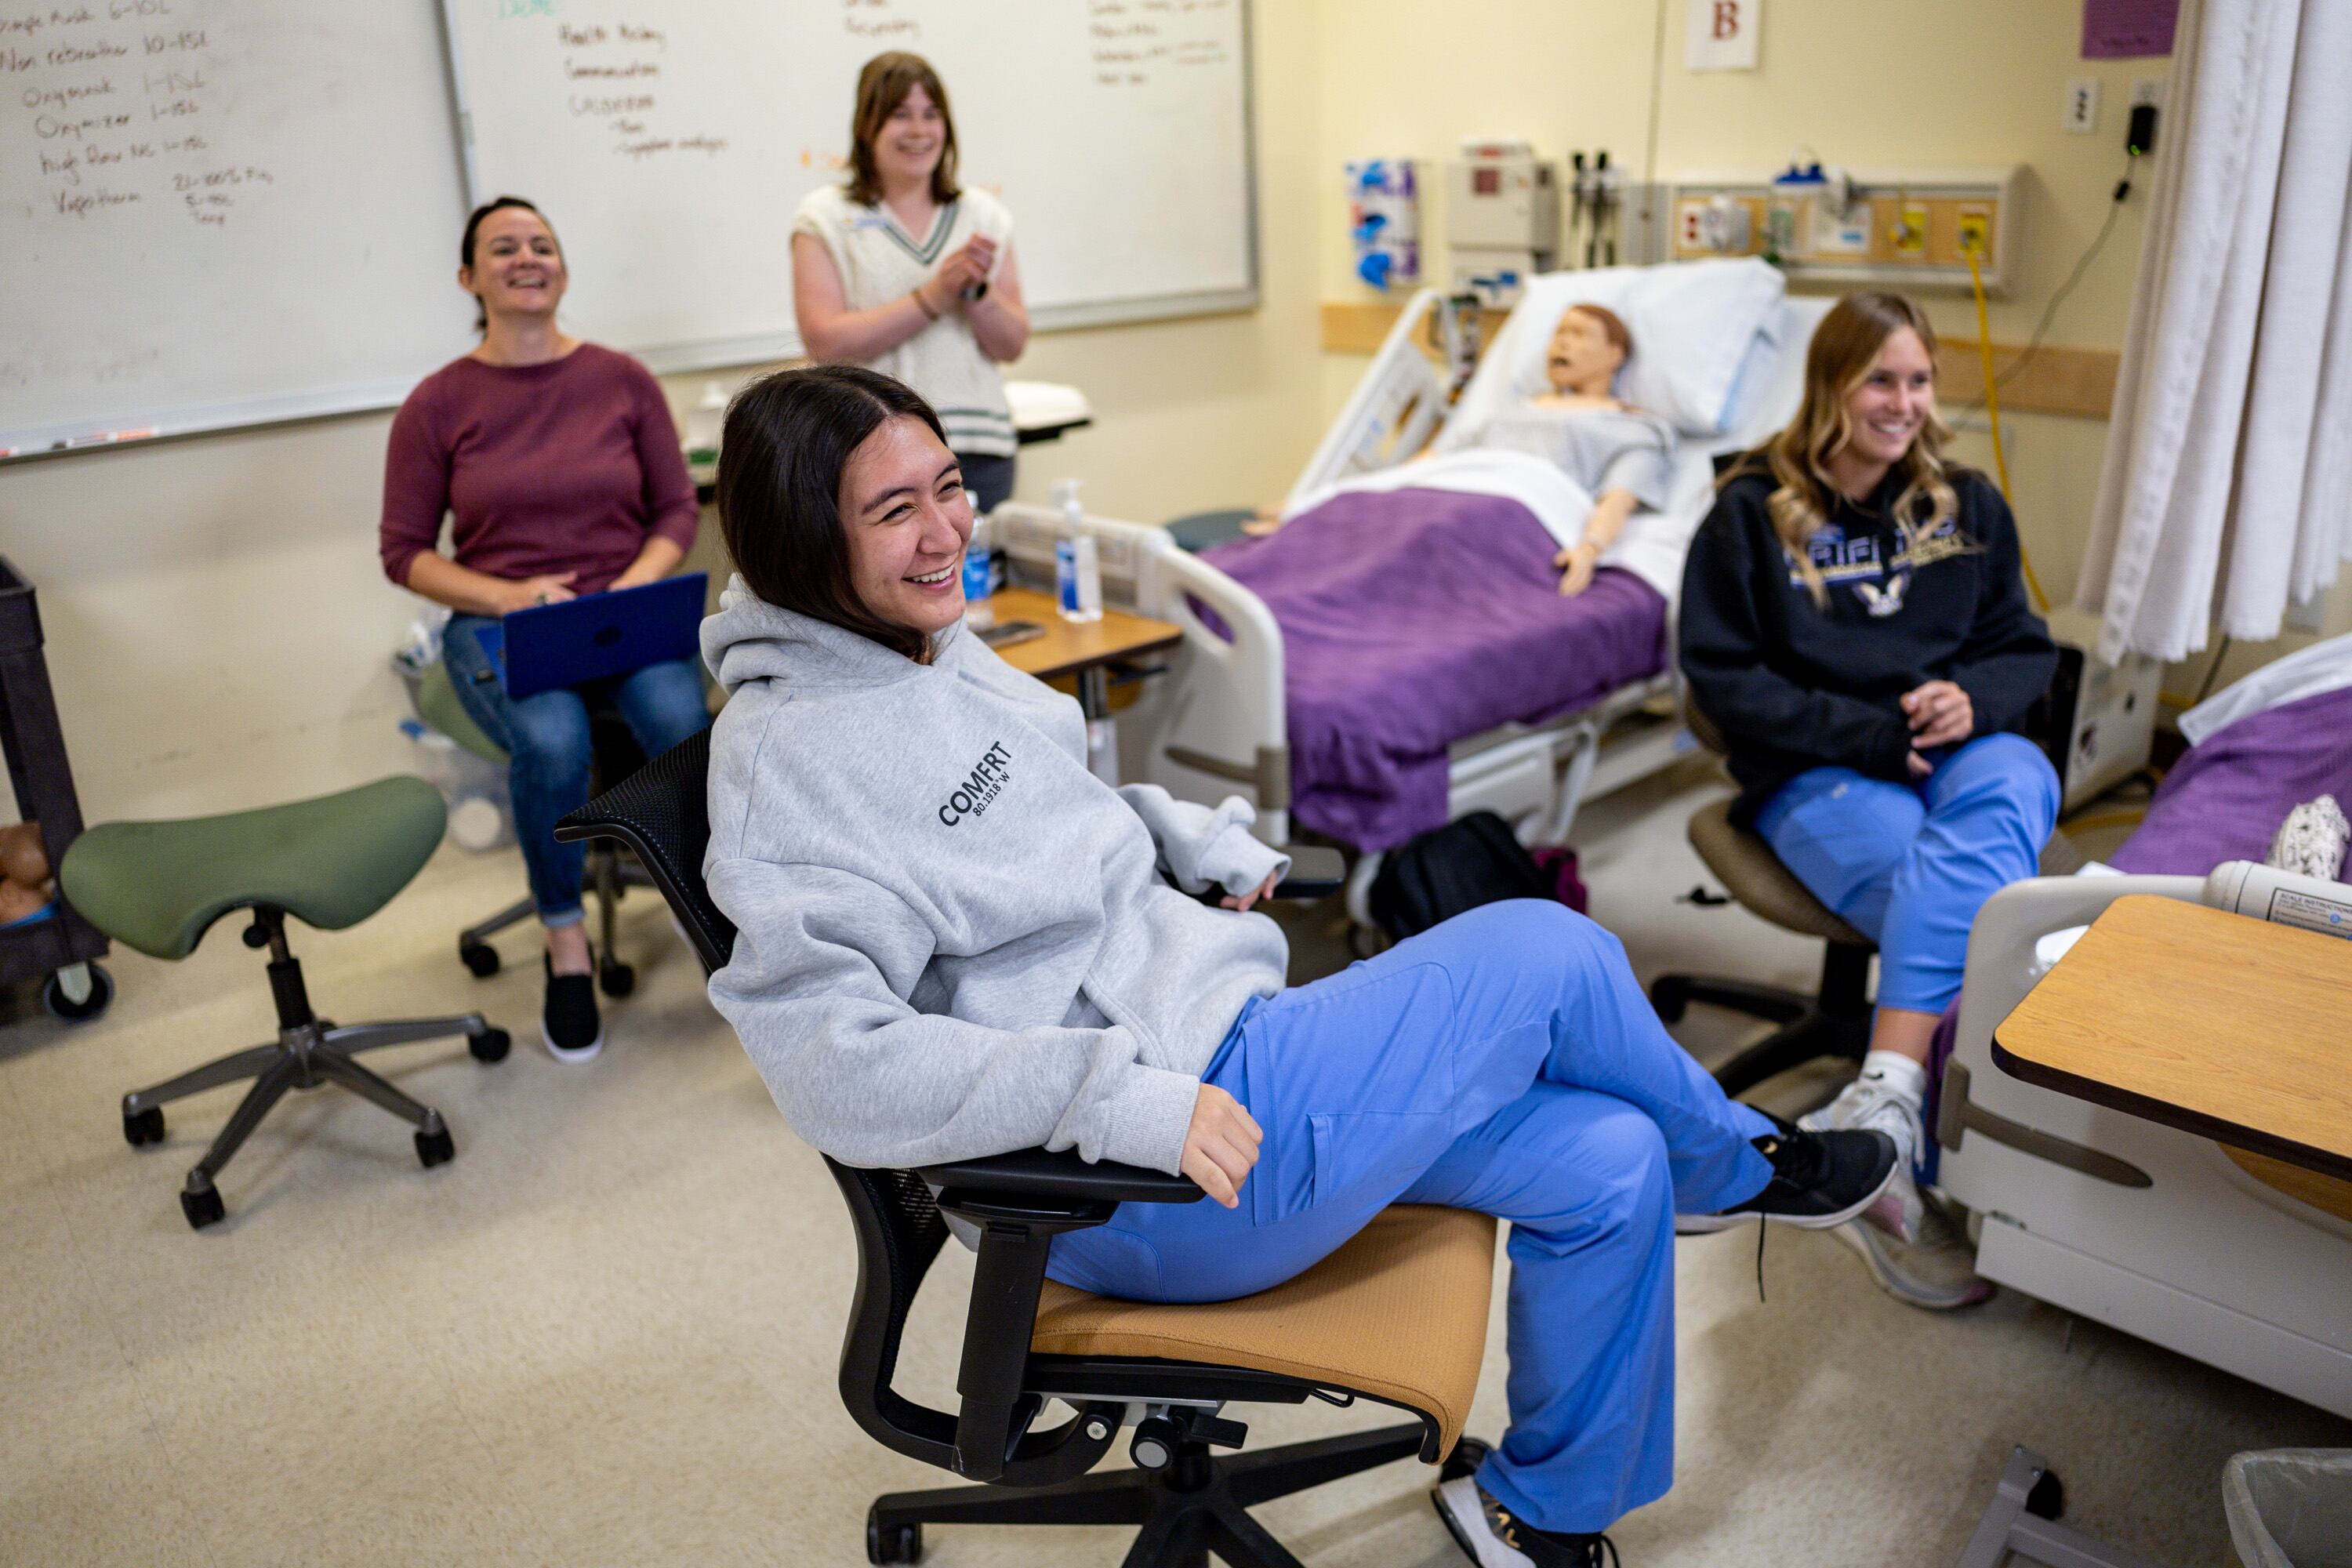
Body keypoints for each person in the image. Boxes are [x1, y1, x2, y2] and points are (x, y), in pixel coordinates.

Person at [698, 364, 1899, 1566]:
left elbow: (1060, 807)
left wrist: (1182, 833)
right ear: (808, 539)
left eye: (950, 488)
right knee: (1548, 949)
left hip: (1238, 1053)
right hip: (1143, 1177)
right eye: (893, 510)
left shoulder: (925, 641)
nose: (947, 531)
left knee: (1610, 1162)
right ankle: (1746, 1165)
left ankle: (1541, 1514)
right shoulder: (789, 767)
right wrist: (1111, 1100)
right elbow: (829, 1065)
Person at [1677, 292, 2060, 1286]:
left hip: (1953, 748)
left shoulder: (1965, 504)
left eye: (1919, 379)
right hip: (1819, 764)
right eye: (1880, 379)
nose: (1903, 402)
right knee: (1981, 915)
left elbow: (2023, 647)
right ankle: (1941, 1149)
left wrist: (1971, 699)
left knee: (2021, 770)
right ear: (1832, 387)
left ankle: (1879, 1103)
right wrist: (1875, 734)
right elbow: (1725, 683)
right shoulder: (1748, 514)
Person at [381, 195, 711, 1063]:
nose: (528, 258)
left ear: (562, 269)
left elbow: (677, 506)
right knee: (556, 739)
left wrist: (634, 583)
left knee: (682, 722)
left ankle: (709, 903)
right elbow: (405, 551)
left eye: (543, 244)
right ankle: (565, 939)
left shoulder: (623, 379)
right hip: (505, 617)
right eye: (503, 248)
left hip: (621, 609)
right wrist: (508, 593)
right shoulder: (437, 403)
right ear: (469, 278)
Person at [791, 52, 1029, 515]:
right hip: (869, 450)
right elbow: (824, 342)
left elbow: (1012, 344)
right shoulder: (825, 217)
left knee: (979, 584)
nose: (919, 131)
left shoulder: (983, 215)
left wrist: (976, 293)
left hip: (978, 447)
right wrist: (933, 297)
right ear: (867, 126)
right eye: (900, 115)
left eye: (931, 115)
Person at [1448, 303, 1680, 596]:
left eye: (1579, 334)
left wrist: (1590, 547)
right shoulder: (1509, 413)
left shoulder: (1634, 429)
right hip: (1450, 493)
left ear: (1615, 354)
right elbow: (1438, 461)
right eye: (1559, 332)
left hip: (1513, 513)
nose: (1562, 341)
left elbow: (1619, 499)